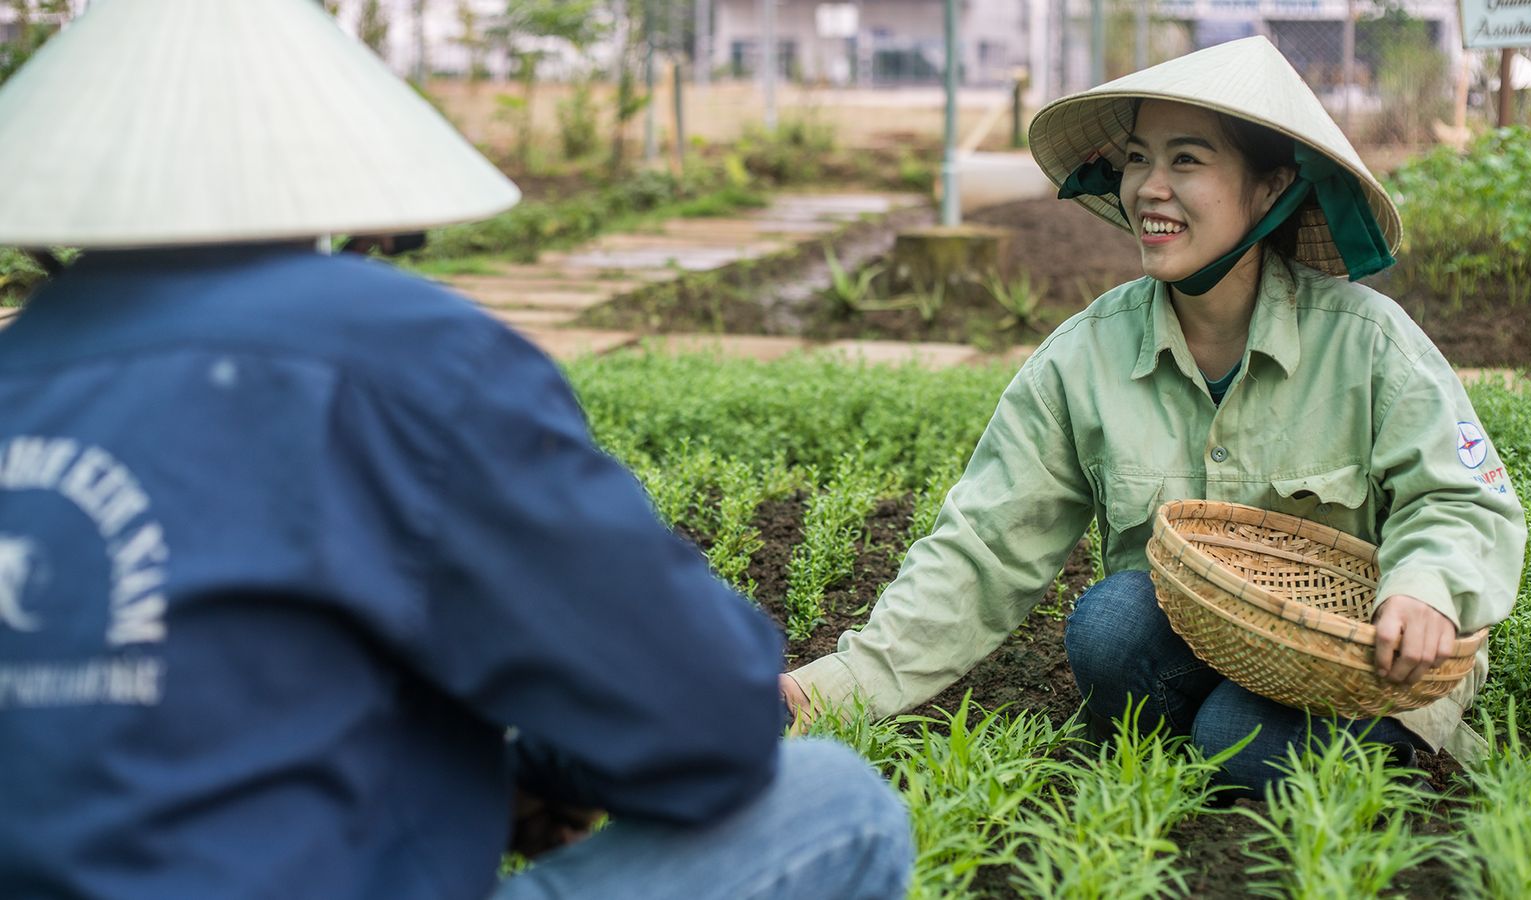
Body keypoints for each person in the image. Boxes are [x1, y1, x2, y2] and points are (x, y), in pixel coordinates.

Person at [0, 2, 910, 898]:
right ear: (345, 184)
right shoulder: (402, 357)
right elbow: (709, 720)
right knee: (834, 804)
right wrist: (532, 764)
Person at [781, 37, 1526, 795]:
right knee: (1111, 625)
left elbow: (1462, 498)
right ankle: (1222, 731)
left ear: (1269, 190)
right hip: (1212, 643)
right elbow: (983, 545)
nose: (1150, 188)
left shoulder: (1369, 343)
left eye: (1188, 161)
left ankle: (1296, 738)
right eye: (1138, 158)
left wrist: (1427, 588)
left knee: (1235, 737)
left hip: (1361, 659)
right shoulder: (1085, 357)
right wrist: (840, 684)